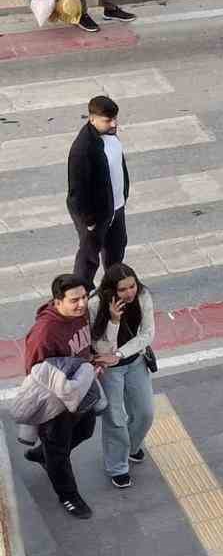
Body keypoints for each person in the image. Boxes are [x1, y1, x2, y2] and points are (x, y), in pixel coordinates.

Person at [23, 275, 98, 518]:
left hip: (81, 389)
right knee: (58, 451)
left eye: (85, 297)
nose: (82, 304)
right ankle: (68, 496)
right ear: (57, 301)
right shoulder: (44, 333)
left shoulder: (79, 314)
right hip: (55, 402)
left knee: (85, 430)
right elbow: (36, 372)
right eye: (74, 299)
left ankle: (43, 454)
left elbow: (83, 347)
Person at [85, 263, 155, 490]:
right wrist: (113, 321)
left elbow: (147, 334)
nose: (130, 292)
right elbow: (101, 347)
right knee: (115, 418)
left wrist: (120, 353)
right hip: (108, 368)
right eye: (123, 289)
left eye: (132, 286)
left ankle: (131, 447)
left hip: (134, 360)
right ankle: (117, 466)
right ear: (111, 290)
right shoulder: (95, 305)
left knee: (145, 412)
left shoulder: (143, 296)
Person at [66, 94, 130, 284]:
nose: (113, 124)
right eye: (108, 120)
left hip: (116, 207)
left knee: (116, 249)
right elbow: (77, 191)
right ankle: (81, 293)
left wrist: (123, 196)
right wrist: (89, 221)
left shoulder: (110, 135)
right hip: (95, 214)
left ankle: (112, 287)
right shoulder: (82, 149)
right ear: (91, 118)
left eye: (115, 119)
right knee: (89, 258)